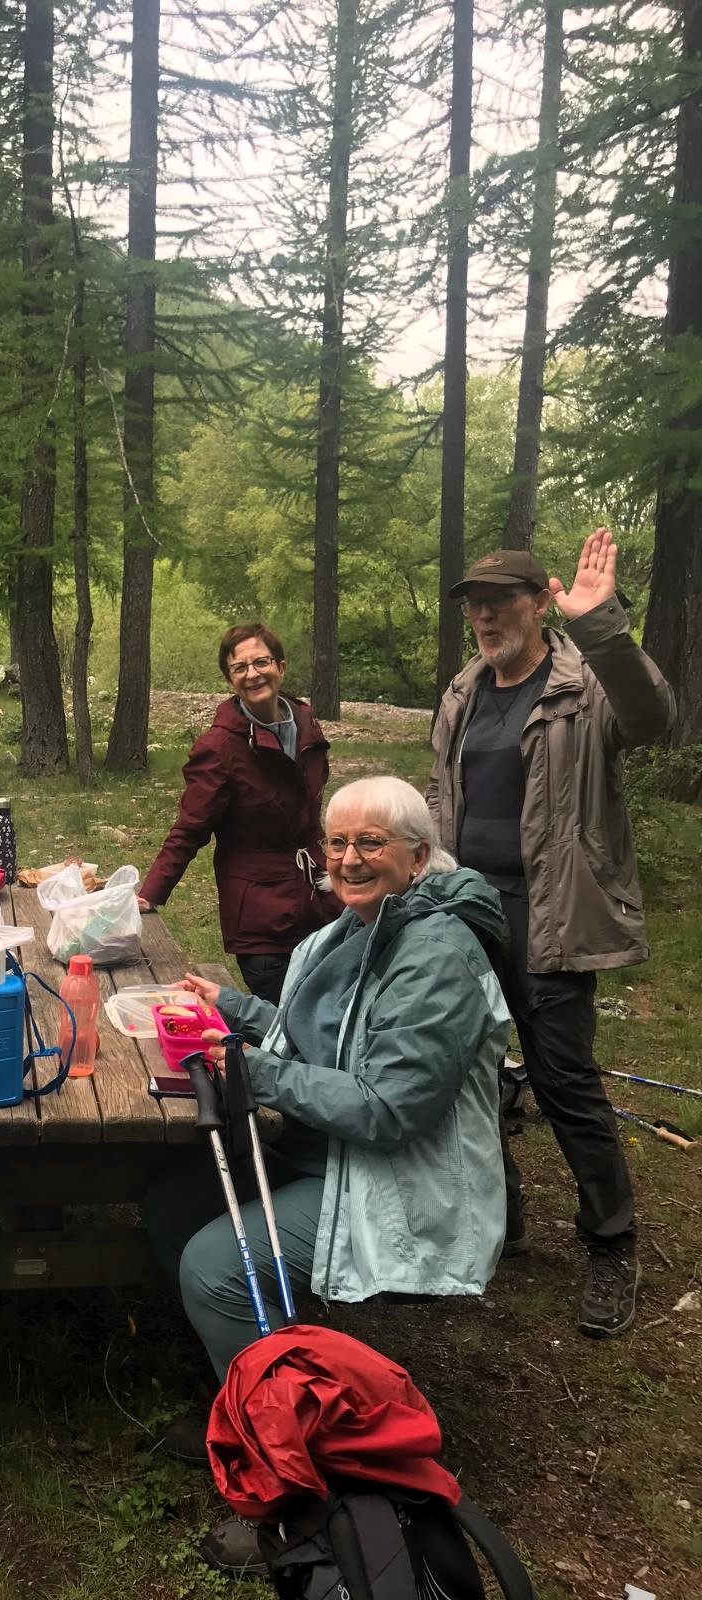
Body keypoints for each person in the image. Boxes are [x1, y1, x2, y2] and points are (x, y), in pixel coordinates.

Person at [144, 777, 509, 1574]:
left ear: (419, 855)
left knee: (216, 1266)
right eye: (336, 842)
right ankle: (252, 1404)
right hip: (326, 1151)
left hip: (391, 1176)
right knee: (175, 1202)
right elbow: (324, 1036)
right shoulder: (366, 923)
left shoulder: (437, 954)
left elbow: (388, 1106)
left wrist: (255, 1073)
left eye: (370, 843)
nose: (347, 859)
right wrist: (234, 1008)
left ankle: (298, 1488)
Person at [428, 528, 675, 1340]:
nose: (486, 616)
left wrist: (602, 625)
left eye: (501, 601)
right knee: (469, 1068)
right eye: (476, 604)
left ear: (540, 604)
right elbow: (443, 796)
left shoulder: (584, 685)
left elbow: (655, 716)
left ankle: (611, 1243)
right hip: (468, 910)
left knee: (563, 1079)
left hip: (552, 910)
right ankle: (502, 1216)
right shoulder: (463, 692)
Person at [139, 622, 337, 1005]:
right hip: (264, 917)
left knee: (330, 1011)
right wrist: (151, 894)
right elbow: (189, 829)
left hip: (321, 901)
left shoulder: (306, 723)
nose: (252, 674)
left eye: (261, 662)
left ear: (281, 666)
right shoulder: (220, 747)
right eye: (239, 667)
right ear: (230, 680)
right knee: (288, 1015)